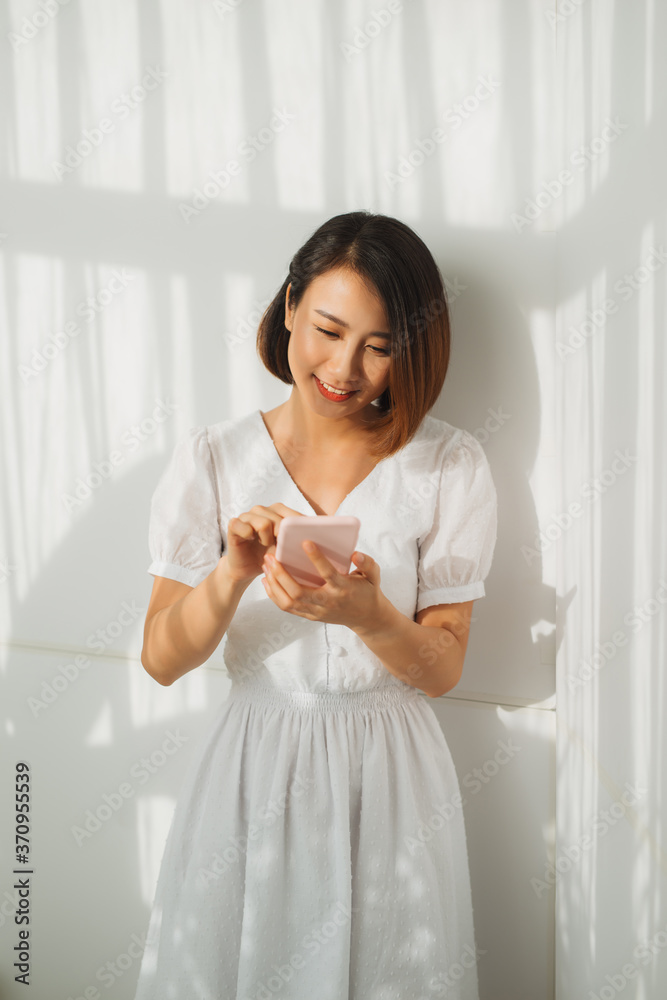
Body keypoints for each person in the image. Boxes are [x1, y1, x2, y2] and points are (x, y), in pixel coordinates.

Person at [133, 210, 498, 999]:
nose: (345, 368)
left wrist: (368, 615)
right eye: (328, 330)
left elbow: (442, 669)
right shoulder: (214, 456)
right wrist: (231, 573)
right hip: (250, 764)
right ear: (289, 304)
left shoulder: (447, 464)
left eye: (379, 345)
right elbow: (160, 659)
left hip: (391, 776)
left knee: (391, 969)